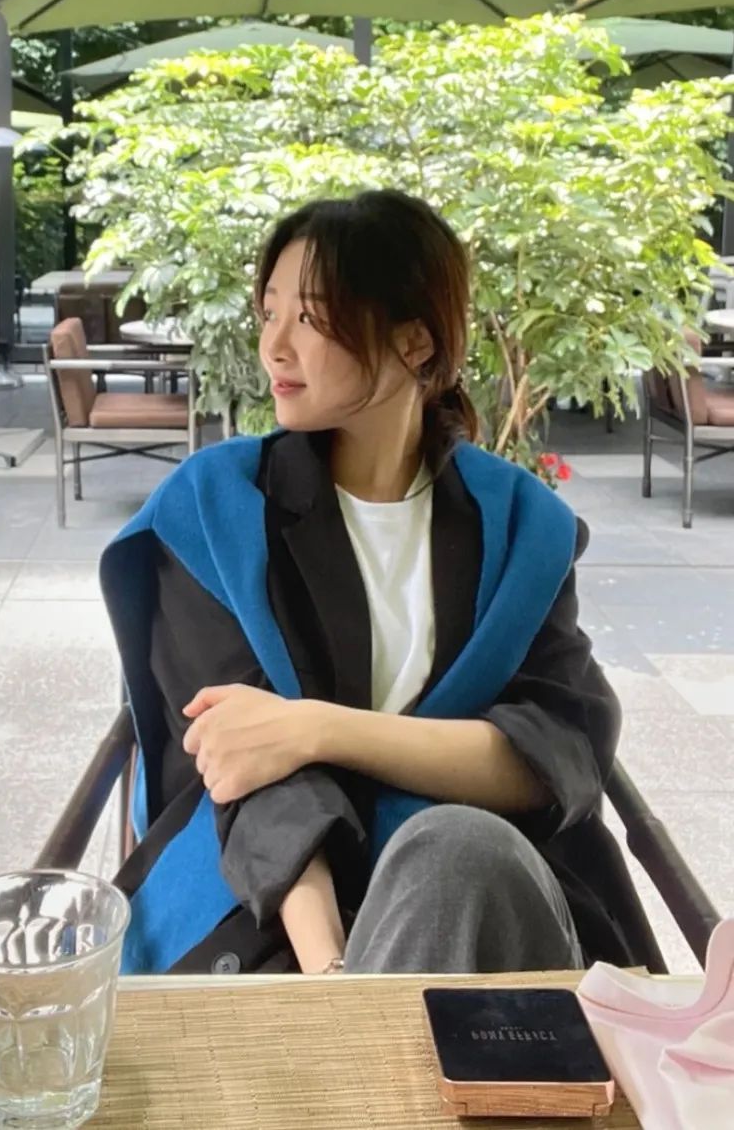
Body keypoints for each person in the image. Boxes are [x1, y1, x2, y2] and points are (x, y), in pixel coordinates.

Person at [100, 188, 659, 978]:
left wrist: (318, 729)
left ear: (414, 343)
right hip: (278, 901)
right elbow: (240, 764)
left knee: (455, 851)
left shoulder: (517, 526)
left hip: (488, 896)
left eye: (310, 317)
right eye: (269, 312)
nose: (275, 346)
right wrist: (334, 977)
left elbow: (553, 748)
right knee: (443, 869)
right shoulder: (216, 513)